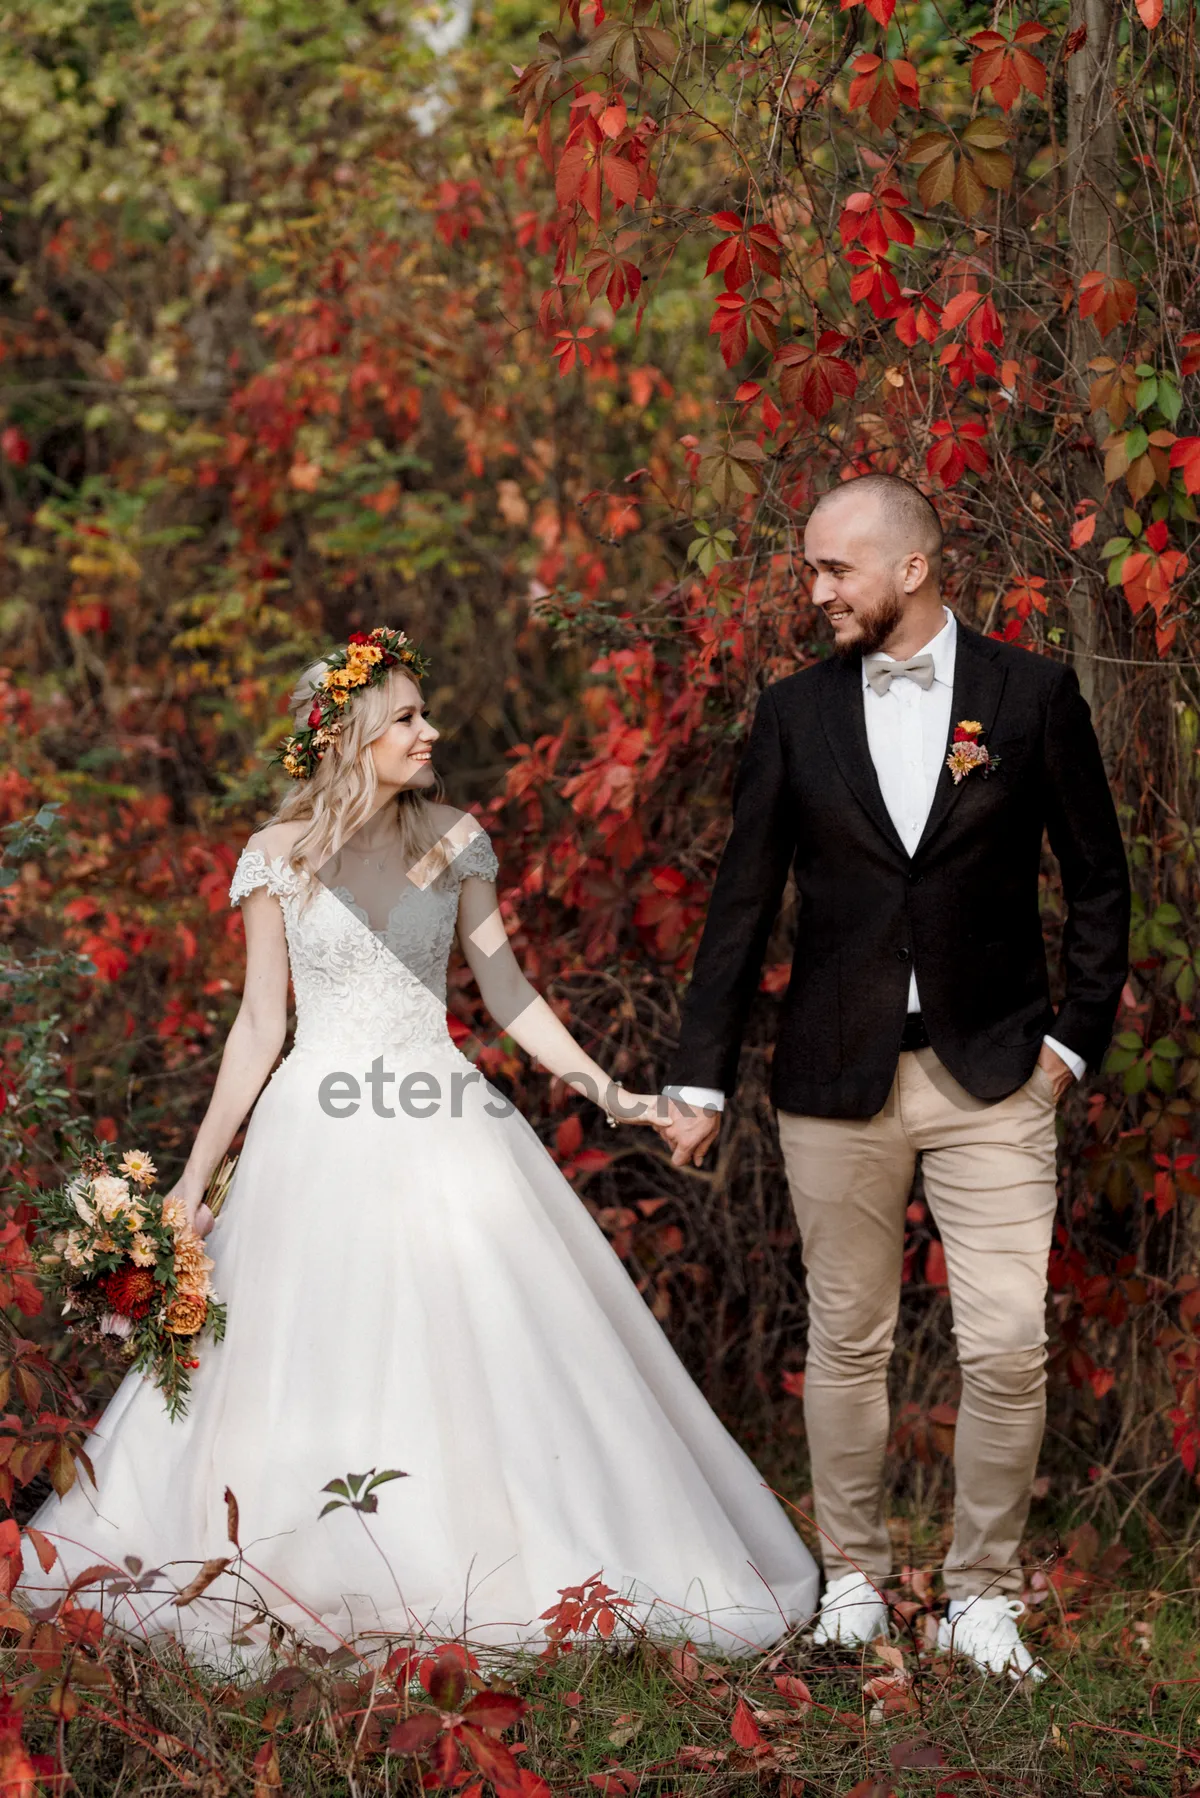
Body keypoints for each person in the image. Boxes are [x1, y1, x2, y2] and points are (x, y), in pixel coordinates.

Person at [22, 626, 818, 1663]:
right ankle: (290, 1561)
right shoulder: (276, 854)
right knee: (297, 1341)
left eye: (422, 712)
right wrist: (186, 1180)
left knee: (482, 1328)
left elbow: (508, 992)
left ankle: (493, 1555)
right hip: (315, 1124)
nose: (429, 729)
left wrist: (611, 1092)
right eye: (405, 716)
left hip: (441, 1112)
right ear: (351, 735)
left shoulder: (454, 839)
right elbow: (261, 1024)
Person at [657, 475, 1130, 1682]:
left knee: (1010, 1342)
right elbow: (742, 904)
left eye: (835, 570)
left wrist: (1071, 1046)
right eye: (810, 569)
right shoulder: (792, 713)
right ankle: (855, 1581)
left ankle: (982, 1595)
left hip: (997, 1072)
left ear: (913, 567)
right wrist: (699, 1079)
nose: (813, 592)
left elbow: (1098, 883)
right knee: (849, 1338)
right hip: (834, 1074)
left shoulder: (1032, 696)